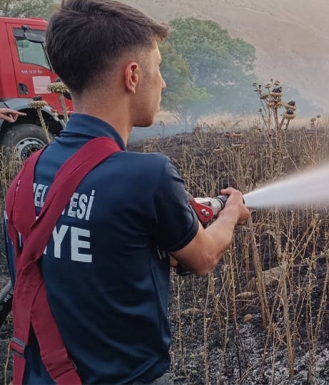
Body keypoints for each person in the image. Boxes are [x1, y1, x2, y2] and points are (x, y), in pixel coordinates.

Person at [2, 0, 251, 383]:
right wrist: (232, 210)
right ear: (133, 76)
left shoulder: (25, 178)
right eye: (159, 69)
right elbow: (202, 258)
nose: (164, 83)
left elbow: (85, 264)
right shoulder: (148, 175)